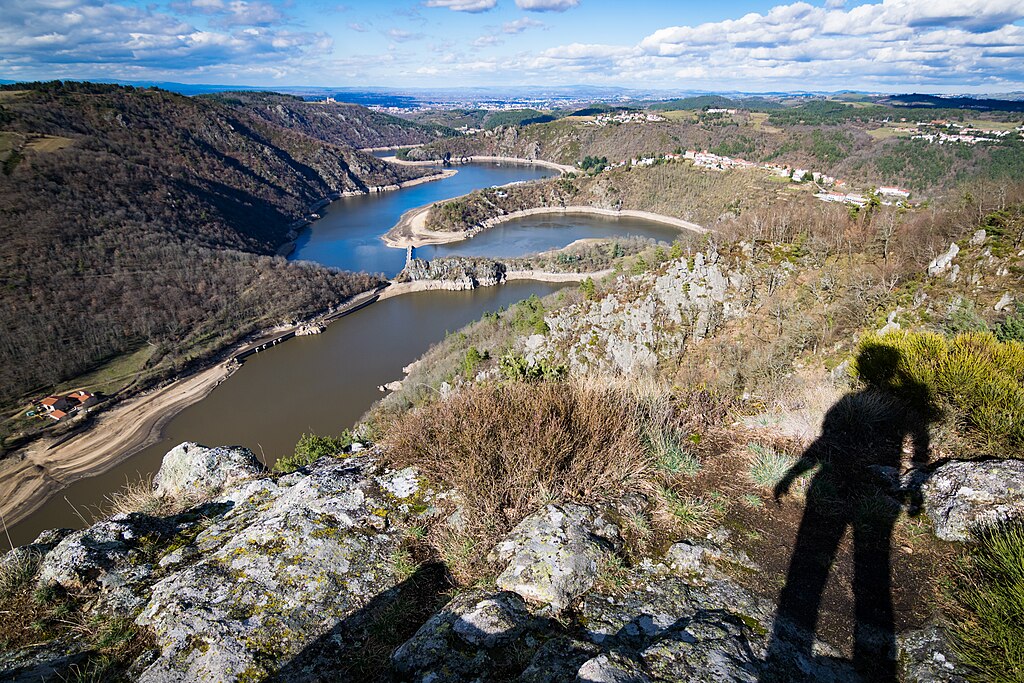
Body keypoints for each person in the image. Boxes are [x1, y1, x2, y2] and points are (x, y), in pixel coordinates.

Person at [766, 346, 932, 681]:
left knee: (835, 560)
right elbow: (919, 445)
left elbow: (822, 445)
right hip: (858, 486)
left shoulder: (856, 403)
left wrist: (791, 475)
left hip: (850, 484)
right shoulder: (873, 404)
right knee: (869, 563)